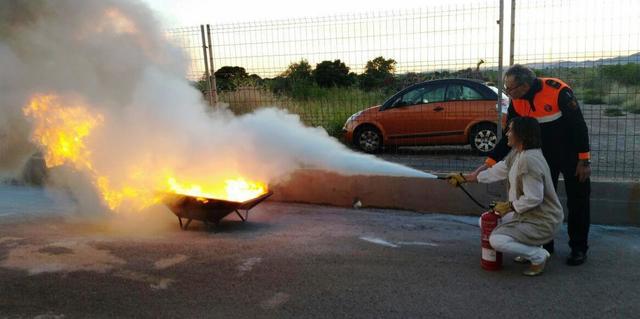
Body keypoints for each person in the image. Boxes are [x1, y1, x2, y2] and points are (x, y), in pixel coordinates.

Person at [475, 65, 591, 266]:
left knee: (578, 200)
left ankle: (578, 248)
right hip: (543, 157)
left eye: (510, 88)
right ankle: (544, 245)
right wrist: (489, 163)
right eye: (506, 88)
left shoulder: (558, 91)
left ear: (525, 85)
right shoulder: (516, 101)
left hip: (570, 153)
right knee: (540, 201)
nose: (508, 93)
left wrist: (584, 160)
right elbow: (509, 136)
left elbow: (579, 126)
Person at [448, 117, 563, 276]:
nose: (507, 134)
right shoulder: (518, 153)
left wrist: (508, 206)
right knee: (486, 220)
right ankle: (529, 250)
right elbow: (499, 170)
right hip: (526, 214)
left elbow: (534, 198)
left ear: (521, 135)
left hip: (542, 220)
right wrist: (466, 178)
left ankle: (538, 256)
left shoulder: (529, 160)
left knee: (496, 240)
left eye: (510, 130)